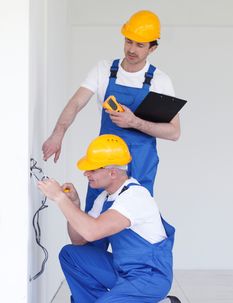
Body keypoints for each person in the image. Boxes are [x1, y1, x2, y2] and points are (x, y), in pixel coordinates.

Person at [38, 134, 181, 303]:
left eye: (93, 169)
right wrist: (75, 206)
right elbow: (79, 240)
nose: (87, 173)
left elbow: (92, 232)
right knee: (71, 254)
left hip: (148, 278)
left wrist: (59, 198)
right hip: (123, 270)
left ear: (112, 172)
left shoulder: (134, 197)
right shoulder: (105, 197)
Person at [42, 9, 180, 213]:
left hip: (141, 162)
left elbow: (174, 132)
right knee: (94, 220)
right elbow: (76, 103)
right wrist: (57, 134)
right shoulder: (104, 70)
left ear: (152, 49)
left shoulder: (159, 81)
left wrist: (134, 122)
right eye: (128, 41)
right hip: (103, 161)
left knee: (134, 222)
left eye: (140, 45)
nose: (131, 49)